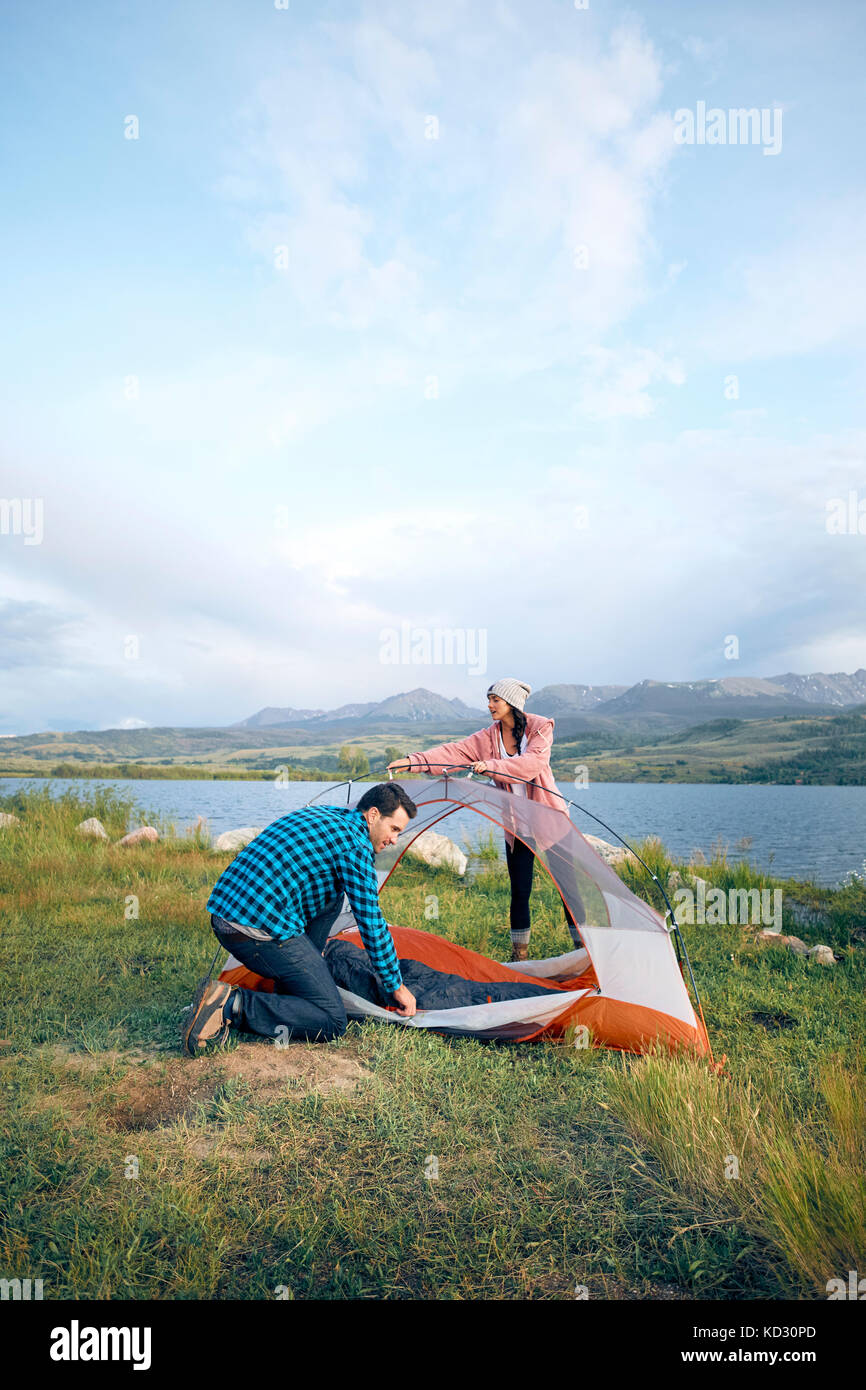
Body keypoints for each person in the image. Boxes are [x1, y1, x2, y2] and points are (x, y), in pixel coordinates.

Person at [182, 782, 418, 1056]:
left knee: (333, 896)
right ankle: (230, 1003)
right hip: (254, 931)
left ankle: (298, 980)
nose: (394, 840)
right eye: (394, 829)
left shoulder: (329, 815)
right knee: (332, 1020)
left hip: (226, 915)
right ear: (374, 815)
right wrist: (395, 985)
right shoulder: (354, 846)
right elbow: (371, 923)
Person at [387, 678, 583, 962]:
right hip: (517, 826)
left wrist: (490, 766)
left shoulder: (540, 728)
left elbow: (530, 767)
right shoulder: (487, 738)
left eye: (495, 700)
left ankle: (584, 952)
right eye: (488, 699)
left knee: (570, 890)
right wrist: (412, 761)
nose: (490, 705)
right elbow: (453, 752)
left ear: (511, 703)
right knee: (520, 890)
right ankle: (520, 957)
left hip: (550, 818)